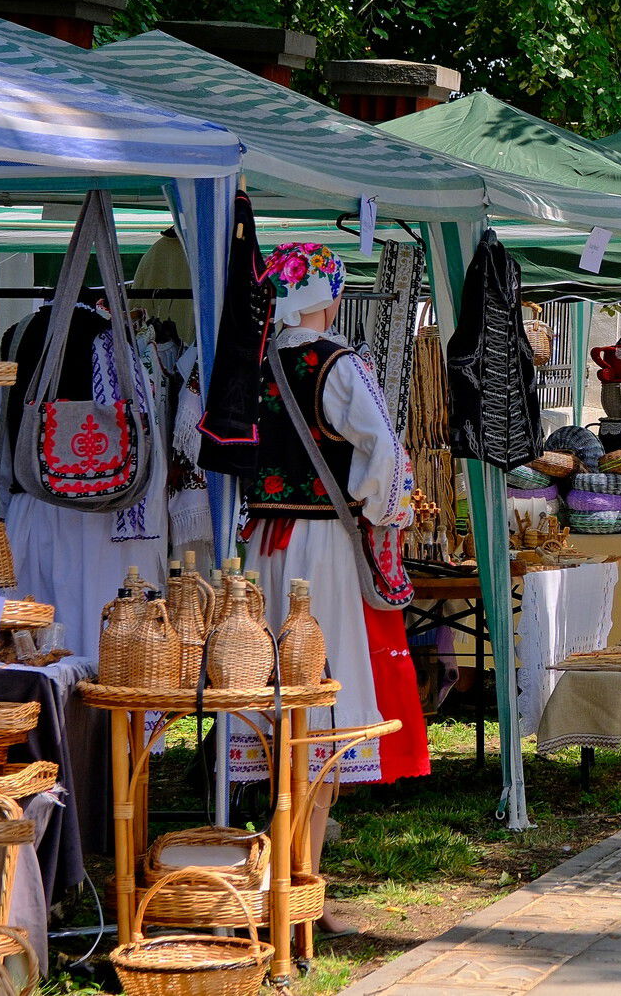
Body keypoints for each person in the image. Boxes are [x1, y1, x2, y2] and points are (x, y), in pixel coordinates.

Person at [240, 242, 428, 930]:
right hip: (318, 544)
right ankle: (297, 886)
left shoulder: (251, 365)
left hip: (260, 542)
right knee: (318, 695)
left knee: (272, 693)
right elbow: (384, 454)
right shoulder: (337, 364)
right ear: (325, 293)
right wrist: (386, 514)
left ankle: (276, 872)